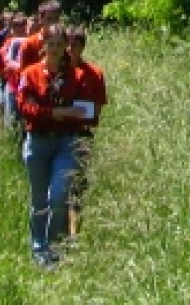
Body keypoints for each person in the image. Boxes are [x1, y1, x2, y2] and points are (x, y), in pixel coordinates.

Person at [15, 24, 104, 269]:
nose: (54, 49)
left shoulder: (76, 76)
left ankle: (55, 248)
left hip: (67, 141)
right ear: (43, 45)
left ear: (66, 46)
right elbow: (26, 108)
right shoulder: (30, 73)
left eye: (59, 44)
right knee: (39, 200)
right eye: (50, 44)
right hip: (38, 141)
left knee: (58, 195)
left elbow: (86, 109)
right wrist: (58, 112)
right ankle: (39, 249)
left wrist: (68, 113)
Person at [63, 27, 107, 239]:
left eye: (76, 46)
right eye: (68, 45)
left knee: (78, 186)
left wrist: (74, 112)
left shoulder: (94, 74)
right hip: (57, 134)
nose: (71, 50)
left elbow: (96, 108)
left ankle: (74, 234)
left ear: (82, 48)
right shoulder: (55, 72)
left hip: (82, 135)